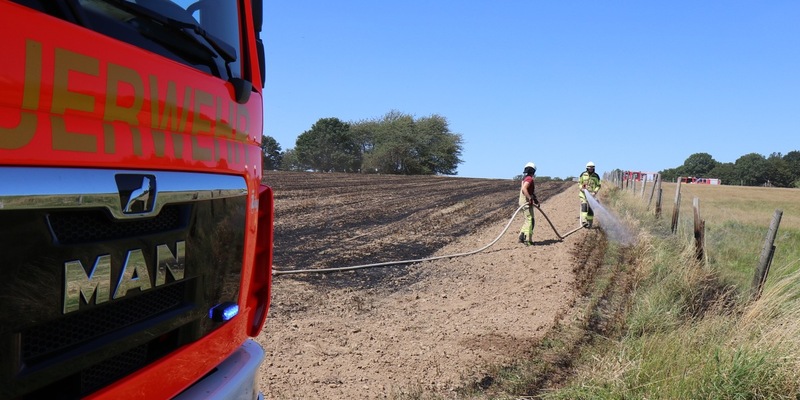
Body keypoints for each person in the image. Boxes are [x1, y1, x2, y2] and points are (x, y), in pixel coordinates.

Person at [518, 162, 540, 245]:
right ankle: (528, 240)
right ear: (533, 171)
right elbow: (524, 189)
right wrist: (530, 198)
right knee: (530, 220)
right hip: (526, 202)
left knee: (528, 220)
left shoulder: (525, 178)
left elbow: (530, 191)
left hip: (524, 201)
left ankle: (521, 236)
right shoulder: (529, 179)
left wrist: (535, 200)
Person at [578, 161, 601, 228]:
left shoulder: (596, 176)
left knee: (591, 209)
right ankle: (584, 221)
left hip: (591, 195)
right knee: (584, 206)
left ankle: (590, 223)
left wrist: (595, 192)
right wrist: (581, 188)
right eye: (589, 168)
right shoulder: (583, 174)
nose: (591, 169)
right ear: (587, 168)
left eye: (592, 168)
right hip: (583, 194)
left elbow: (598, 185)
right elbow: (579, 183)